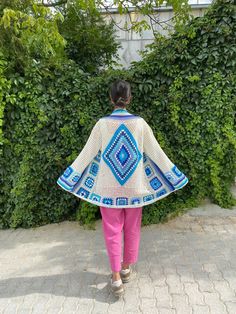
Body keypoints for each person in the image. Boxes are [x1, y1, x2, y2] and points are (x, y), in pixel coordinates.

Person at [57, 79, 189, 297]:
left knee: (112, 231)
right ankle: (126, 267)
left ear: (111, 99)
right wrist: (174, 174)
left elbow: (87, 153)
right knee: (133, 228)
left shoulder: (101, 124)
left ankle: (116, 278)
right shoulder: (140, 124)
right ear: (129, 99)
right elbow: (155, 152)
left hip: (108, 189)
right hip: (135, 187)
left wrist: (69, 175)